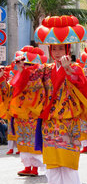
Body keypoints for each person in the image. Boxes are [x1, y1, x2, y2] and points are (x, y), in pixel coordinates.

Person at [33, 15, 87, 184]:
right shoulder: (45, 69)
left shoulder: (76, 68)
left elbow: (82, 86)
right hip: (50, 120)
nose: (58, 52)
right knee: (52, 158)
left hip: (69, 119)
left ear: (67, 48)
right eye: (54, 48)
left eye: (61, 48)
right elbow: (33, 86)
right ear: (50, 50)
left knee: (67, 156)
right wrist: (20, 69)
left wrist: (68, 70)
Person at [10, 46, 48, 176]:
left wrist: (22, 71)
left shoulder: (38, 76)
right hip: (21, 113)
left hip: (34, 112)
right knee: (23, 139)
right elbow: (14, 87)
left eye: (29, 64)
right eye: (25, 63)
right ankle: (27, 166)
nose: (27, 66)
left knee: (32, 139)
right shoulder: (21, 74)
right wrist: (20, 70)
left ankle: (35, 168)